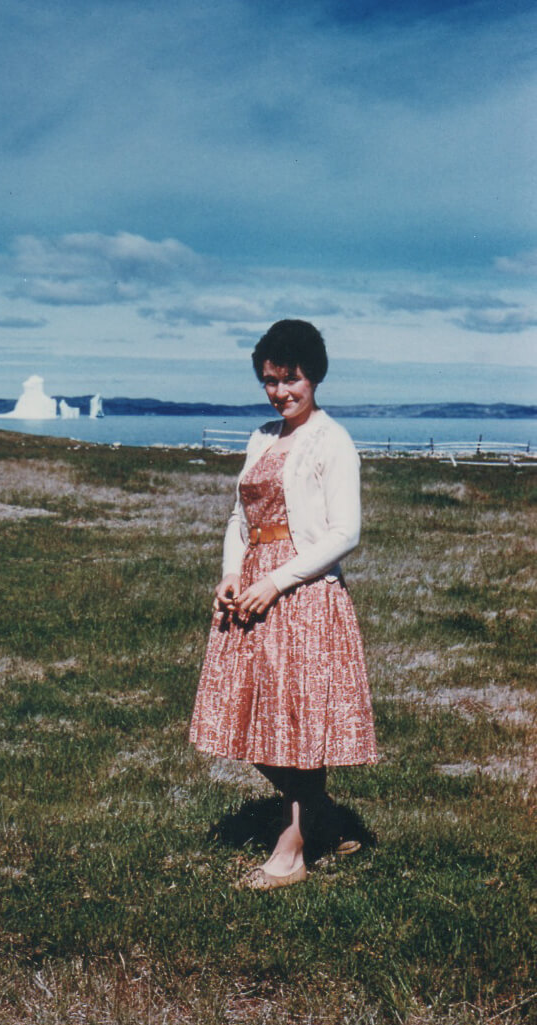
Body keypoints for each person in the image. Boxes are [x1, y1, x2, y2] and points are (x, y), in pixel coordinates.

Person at [190, 319, 377, 889]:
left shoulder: (332, 440)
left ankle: (292, 850)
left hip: (303, 594)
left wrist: (278, 582)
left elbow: (345, 533)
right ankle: (323, 818)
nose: (280, 392)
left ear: (313, 375)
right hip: (252, 589)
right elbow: (238, 519)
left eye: (290, 379)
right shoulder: (262, 437)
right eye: (270, 380)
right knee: (246, 717)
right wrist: (230, 573)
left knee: (296, 724)